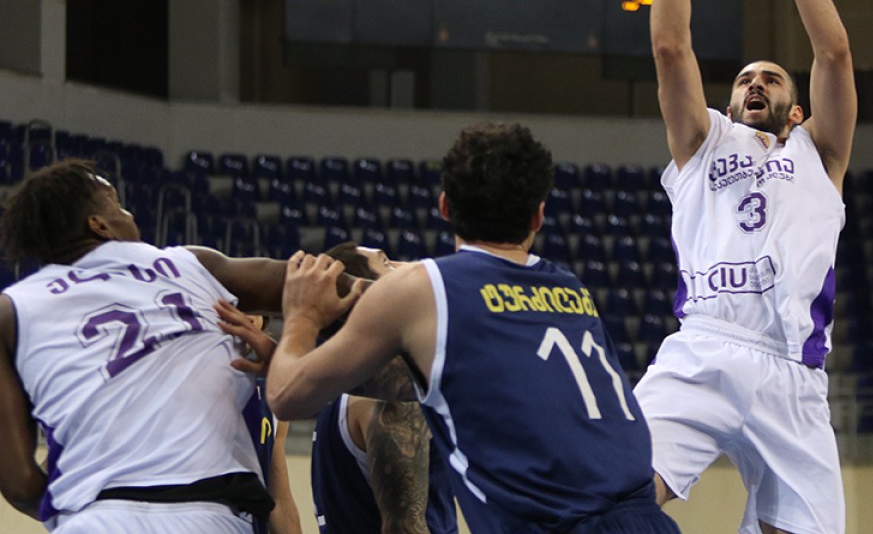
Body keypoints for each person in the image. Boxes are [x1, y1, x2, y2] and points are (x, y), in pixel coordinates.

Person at [227, 123, 679, 534]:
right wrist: (311, 363)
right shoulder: (570, 289)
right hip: (646, 518)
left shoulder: (429, 289)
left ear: (445, 205)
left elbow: (286, 396)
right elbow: (457, 378)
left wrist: (303, 317)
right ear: (538, 217)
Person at [633, 0, 857, 534]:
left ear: (797, 110)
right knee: (612, 500)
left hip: (794, 373)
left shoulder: (820, 154)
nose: (755, 83)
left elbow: (835, 53)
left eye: (772, 78)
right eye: (744, 80)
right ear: (729, 103)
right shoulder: (703, 142)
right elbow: (670, 47)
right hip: (706, 347)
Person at [0, 159, 353, 532]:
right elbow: (311, 282)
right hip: (207, 512)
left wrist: (83, 511)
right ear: (99, 225)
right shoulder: (187, 264)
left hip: (93, 520)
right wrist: (383, 296)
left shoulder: (11, 309)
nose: (130, 215)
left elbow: (20, 485)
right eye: (118, 205)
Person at [311, 242, 457, 534]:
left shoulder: (344, 383)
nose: (405, 267)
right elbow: (405, 527)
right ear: (364, 296)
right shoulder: (392, 398)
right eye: (387, 263)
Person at [241, 317, 302, 534]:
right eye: (239, 306)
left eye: (257, 312)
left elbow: (279, 502)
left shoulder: (270, 396)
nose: (250, 317)